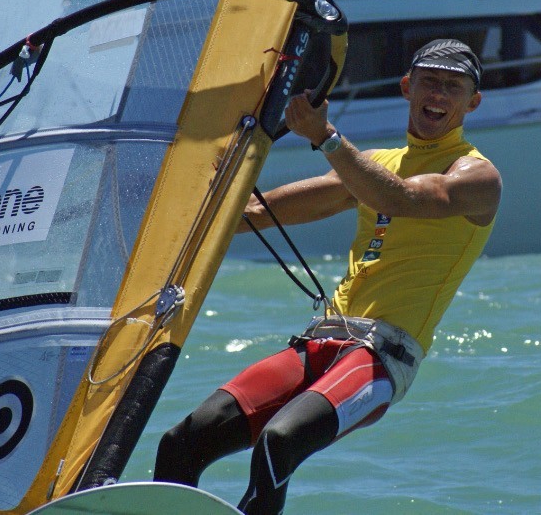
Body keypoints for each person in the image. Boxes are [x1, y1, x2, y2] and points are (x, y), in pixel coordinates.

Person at [153, 39, 502, 514]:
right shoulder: (373, 166)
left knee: (279, 442)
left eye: (453, 87)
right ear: (407, 87)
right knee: (182, 443)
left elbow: (403, 199)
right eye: (430, 82)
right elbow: (258, 212)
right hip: (320, 343)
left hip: (381, 359)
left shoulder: (478, 178)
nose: (438, 95)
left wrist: (328, 138)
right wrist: (181, 192)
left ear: (472, 102)